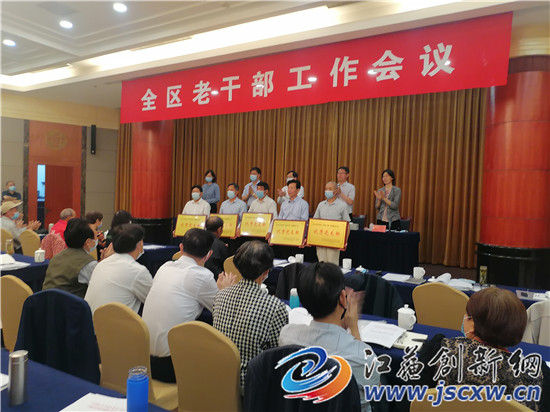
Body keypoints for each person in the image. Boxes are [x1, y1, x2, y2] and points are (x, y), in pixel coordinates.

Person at [418, 287, 547, 411]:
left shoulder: (440, 350)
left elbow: (414, 401)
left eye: (468, 316)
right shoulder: (536, 373)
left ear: (473, 325)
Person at [279, 262, 380, 412]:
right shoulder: (363, 357)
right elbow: (374, 393)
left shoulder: (286, 335)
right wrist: (353, 328)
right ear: (343, 298)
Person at [142, 228, 235, 383]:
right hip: (171, 366)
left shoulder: (164, 267)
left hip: (144, 359)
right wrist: (226, 291)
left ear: (181, 248)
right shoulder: (202, 275)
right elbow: (223, 311)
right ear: (209, 255)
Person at [213, 241, 288, 389]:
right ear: (267, 271)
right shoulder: (274, 306)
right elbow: (277, 356)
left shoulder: (220, 295)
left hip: (220, 376)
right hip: (252, 385)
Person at [85, 224, 152, 314]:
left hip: (91, 320)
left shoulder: (101, 264)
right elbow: (154, 300)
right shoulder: (137, 271)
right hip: (114, 322)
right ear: (140, 244)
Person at [42, 218, 98, 298]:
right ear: (88, 241)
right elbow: (98, 290)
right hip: (72, 304)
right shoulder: (89, 263)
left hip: (46, 302)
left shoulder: (56, 257)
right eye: (94, 238)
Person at [313, 181, 350, 265]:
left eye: (330, 189)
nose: (327, 191)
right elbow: (314, 223)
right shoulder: (321, 205)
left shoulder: (342, 205)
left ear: (336, 191)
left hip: (334, 240)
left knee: (332, 264)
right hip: (320, 240)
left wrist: (345, 241)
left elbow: (347, 225)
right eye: (326, 189)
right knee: (321, 264)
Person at [204, 216, 230, 280]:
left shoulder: (197, 240)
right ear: (219, 229)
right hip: (216, 279)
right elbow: (227, 265)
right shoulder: (221, 245)